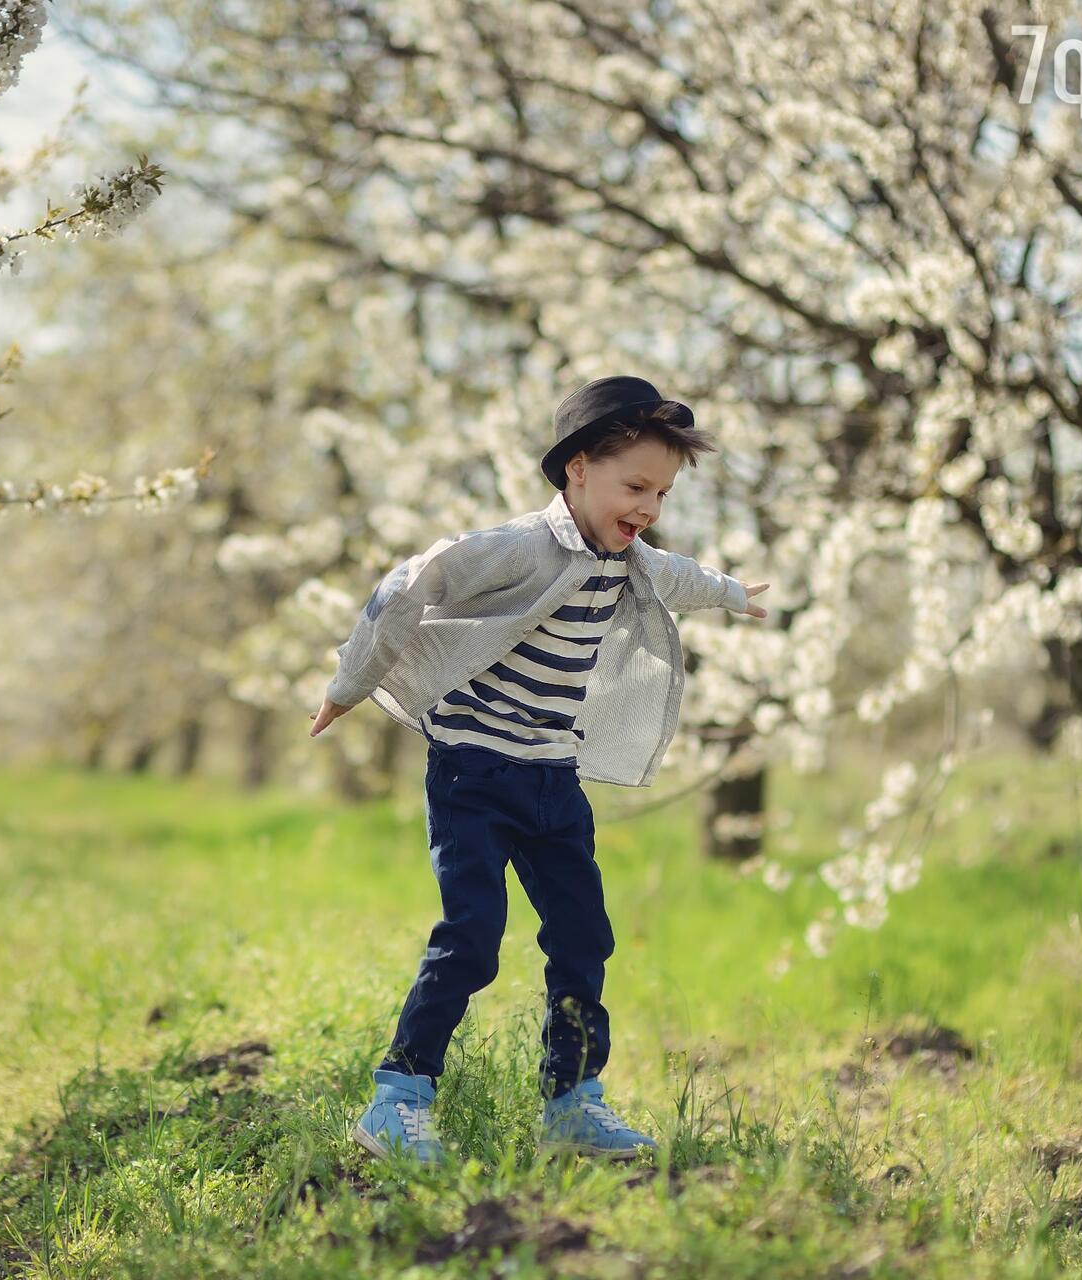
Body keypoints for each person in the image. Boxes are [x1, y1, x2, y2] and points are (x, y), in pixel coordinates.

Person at [307, 375, 770, 1166]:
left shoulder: (630, 564)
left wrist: (732, 594)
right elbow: (410, 585)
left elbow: (680, 576)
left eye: (660, 493)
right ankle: (399, 1096)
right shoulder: (519, 548)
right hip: (474, 774)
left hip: (554, 781)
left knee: (585, 936)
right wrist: (349, 686)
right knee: (474, 934)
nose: (648, 509)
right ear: (577, 468)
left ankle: (571, 1101)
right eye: (635, 487)